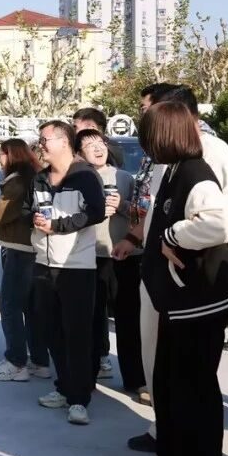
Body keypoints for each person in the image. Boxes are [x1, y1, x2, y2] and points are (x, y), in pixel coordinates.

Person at [114, 83, 228, 453]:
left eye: (148, 111)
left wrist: (177, 237)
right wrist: (139, 237)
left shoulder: (206, 157)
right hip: (162, 274)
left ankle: (184, 450)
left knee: (189, 376)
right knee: (160, 361)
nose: (143, 119)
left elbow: (222, 216)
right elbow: (160, 207)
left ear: (172, 118)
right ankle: (167, 432)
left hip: (190, 282)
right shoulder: (169, 163)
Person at [132, 101, 228, 456]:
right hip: (175, 302)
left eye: (147, 136)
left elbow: (219, 224)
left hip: (197, 302)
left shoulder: (196, 173)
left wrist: (172, 235)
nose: (144, 145)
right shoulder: (174, 171)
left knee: (196, 393)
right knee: (169, 385)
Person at [30, 119, 106, 425]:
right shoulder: (40, 178)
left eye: (45, 140)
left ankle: (79, 398)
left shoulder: (84, 176)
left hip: (76, 266)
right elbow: (28, 209)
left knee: (77, 334)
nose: (41, 145)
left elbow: (96, 212)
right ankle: (63, 387)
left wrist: (58, 226)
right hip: (44, 263)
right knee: (51, 330)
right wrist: (33, 220)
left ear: (64, 142)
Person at [0, 138, 49, 381]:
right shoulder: (35, 176)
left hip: (19, 249)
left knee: (9, 305)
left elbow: (0, 214)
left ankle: (16, 362)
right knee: (32, 309)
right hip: (34, 248)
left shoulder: (17, 181)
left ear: (11, 155)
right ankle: (40, 361)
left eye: (1, 153)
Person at [75, 128, 133, 384]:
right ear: (80, 153)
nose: (98, 148)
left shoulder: (124, 177)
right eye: (90, 145)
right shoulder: (79, 178)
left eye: (101, 142)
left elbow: (140, 215)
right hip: (90, 255)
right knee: (93, 314)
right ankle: (99, 360)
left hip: (122, 254)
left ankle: (134, 375)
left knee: (126, 317)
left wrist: (121, 205)